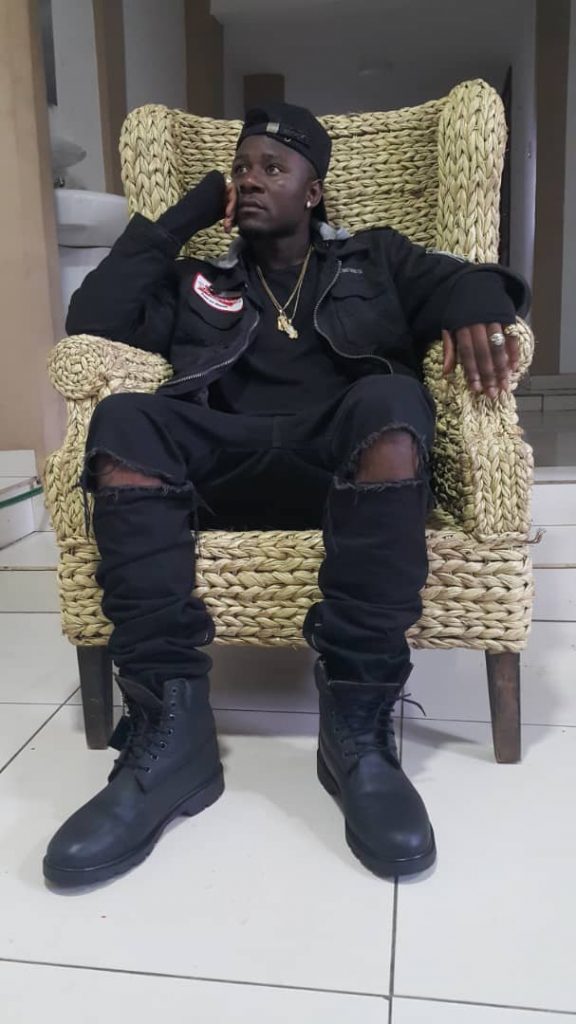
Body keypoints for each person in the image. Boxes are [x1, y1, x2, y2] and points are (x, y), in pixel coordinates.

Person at [43, 103, 530, 888]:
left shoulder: (376, 258)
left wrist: (478, 303)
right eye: (242, 168)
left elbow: (468, 278)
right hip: (221, 462)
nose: (251, 179)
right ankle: (171, 731)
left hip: (338, 461)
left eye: (273, 168)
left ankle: (357, 725)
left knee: (393, 400)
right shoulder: (198, 280)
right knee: (125, 418)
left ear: (313, 191)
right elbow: (92, 318)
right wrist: (181, 218)